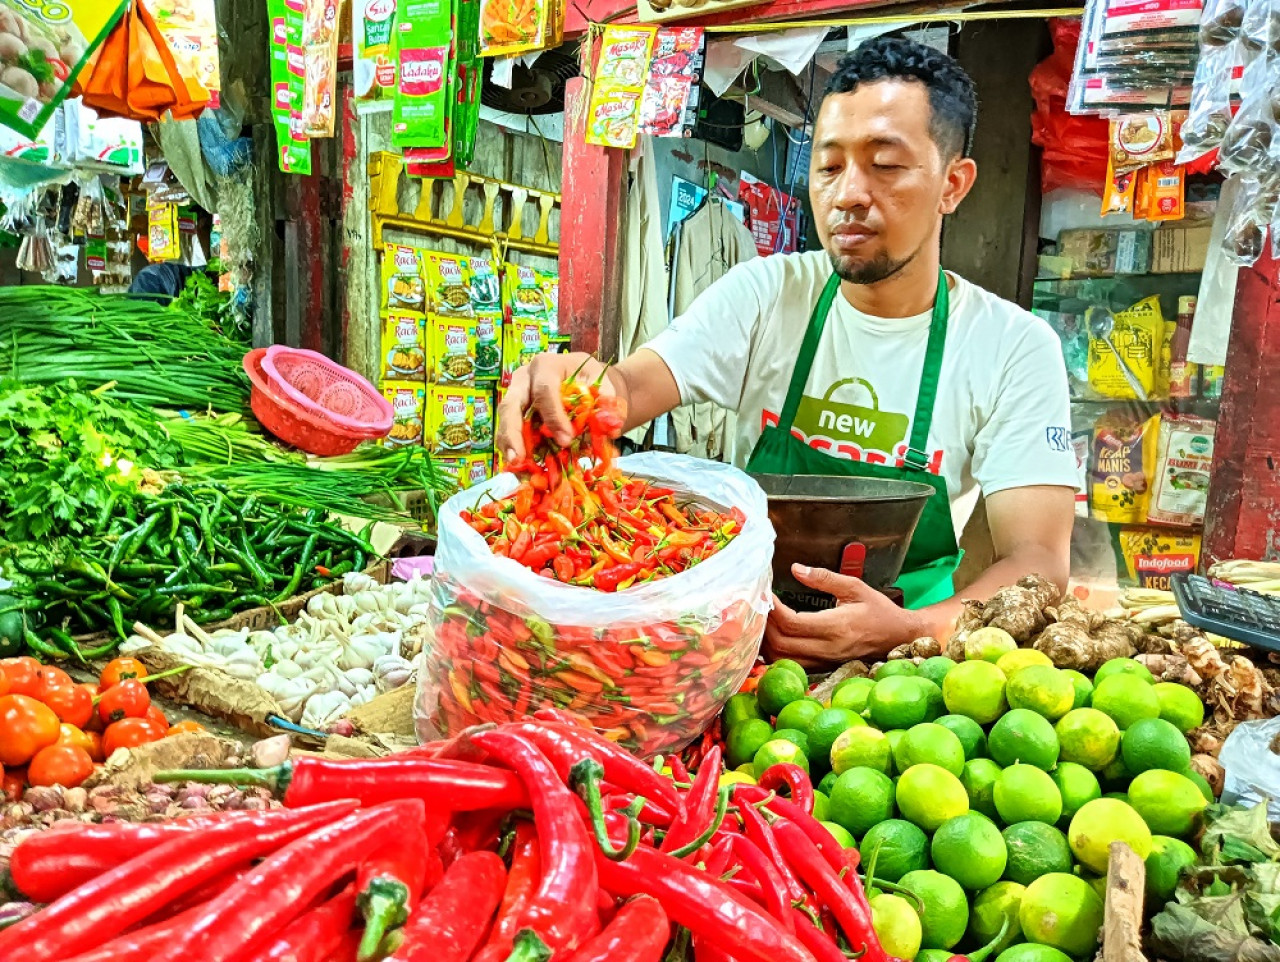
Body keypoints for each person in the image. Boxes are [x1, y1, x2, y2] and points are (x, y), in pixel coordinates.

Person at [498, 37, 1077, 666]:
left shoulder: (1014, 348)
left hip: (909, 670)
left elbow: (1038, 563)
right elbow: (631, 390)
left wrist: (908, 629)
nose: (849, 193)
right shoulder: (767, 295)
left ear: (952, 185)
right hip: (743, 646)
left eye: (885, 165)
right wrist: (574, 385)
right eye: (829, 167)